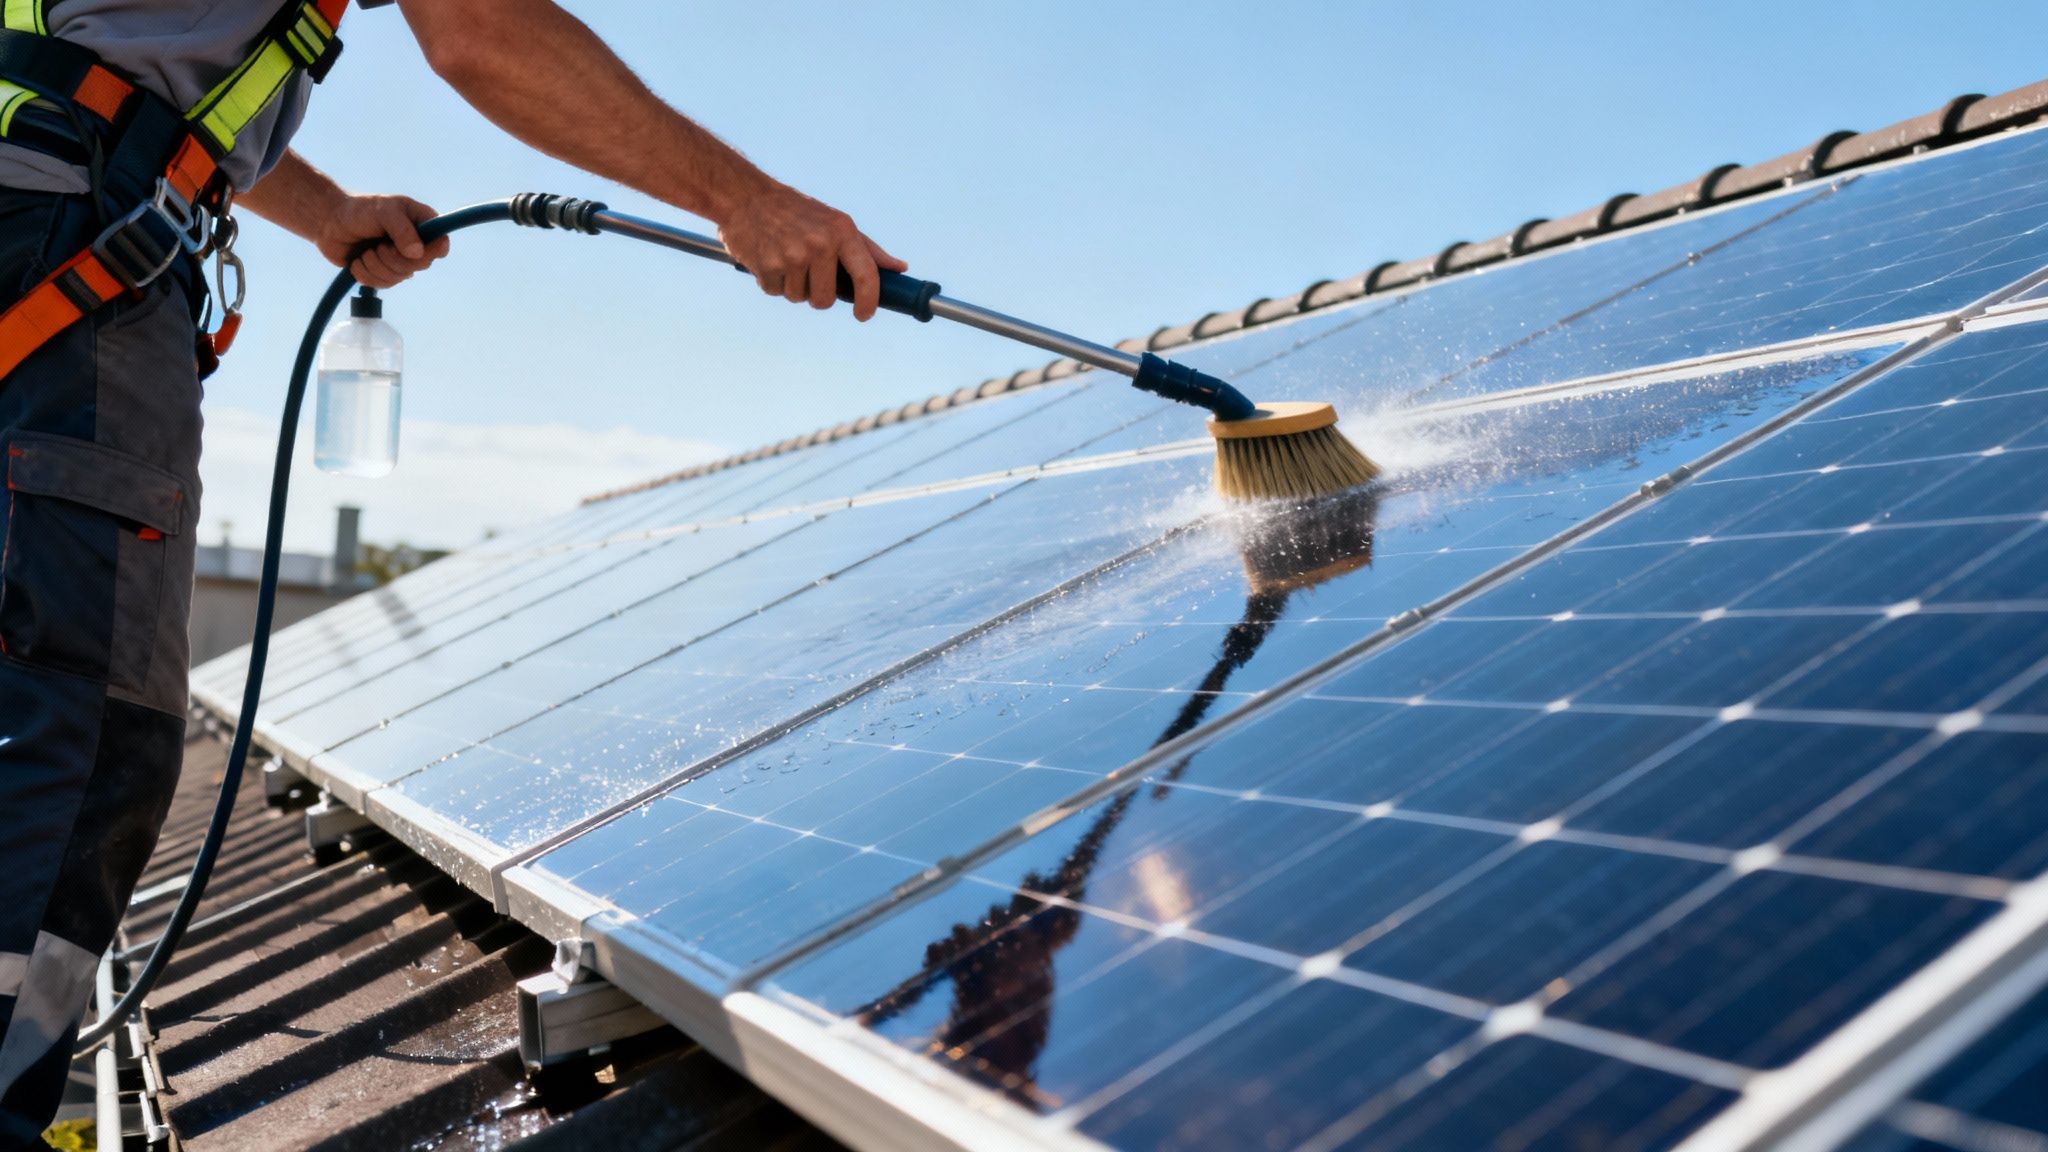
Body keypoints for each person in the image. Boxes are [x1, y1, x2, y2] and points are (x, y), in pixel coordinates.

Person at [0, 0, 903, 1141]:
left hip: (41, 206)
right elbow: (479, 26)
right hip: (66, 249)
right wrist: (749, 203)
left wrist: (324, 212)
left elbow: (119, 64)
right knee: (78, 729)